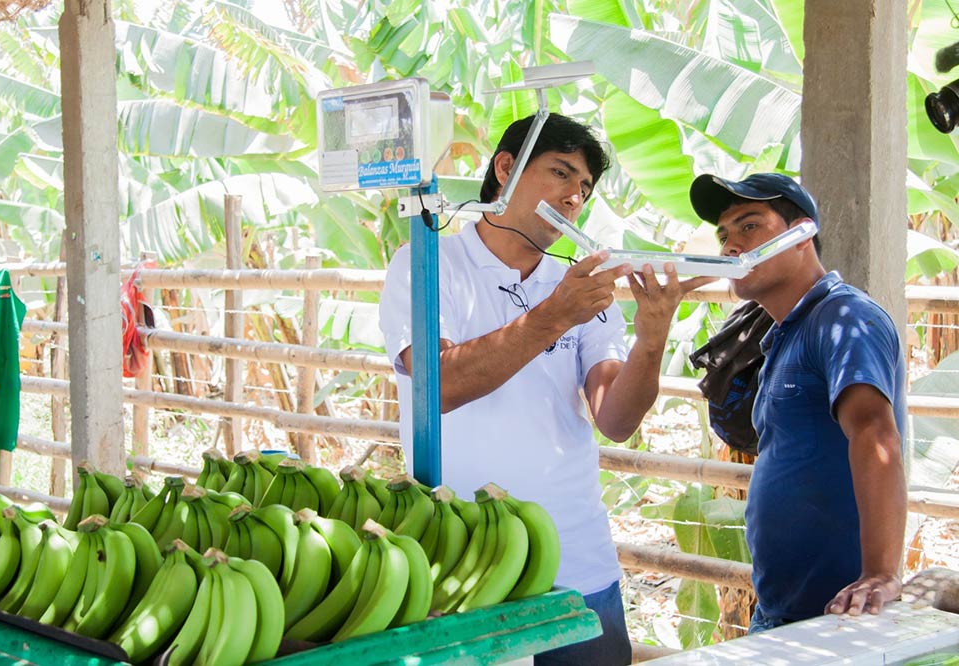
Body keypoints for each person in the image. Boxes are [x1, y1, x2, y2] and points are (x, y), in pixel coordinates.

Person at [379, 113, 711, 665]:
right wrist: (552, 317)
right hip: (463, 566)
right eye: (560, 172)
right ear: (505, 168)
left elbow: (616, 419)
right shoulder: (429, 263)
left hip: (578, 560)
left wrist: (652, 340)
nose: (574, 196)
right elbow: (437, 388)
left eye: (584, 187)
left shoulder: (576, 284)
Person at [688, 173, 908, 633]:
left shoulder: (845, 317)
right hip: (782, 614)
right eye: (725, 235)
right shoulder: (782, 335)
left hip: (839, 619)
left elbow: (874, 432)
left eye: (749, 227)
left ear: (801, 234)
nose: (732, 246)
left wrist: (881, 574)